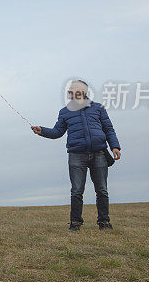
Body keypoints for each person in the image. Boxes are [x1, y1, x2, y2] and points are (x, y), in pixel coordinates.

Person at [30, 80, 121, 231]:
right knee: (77, 190)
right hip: (76, 155)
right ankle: (75, 223)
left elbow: (108, 129)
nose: (69, 90)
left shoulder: (98, 108)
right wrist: (43, 131)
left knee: (102, 190)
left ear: (83, 90)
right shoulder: (64, 112)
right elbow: (57, 132)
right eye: (69, 89)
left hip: (99, 153)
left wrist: (115, 146)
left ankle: (104, 223)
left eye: (73, 88)